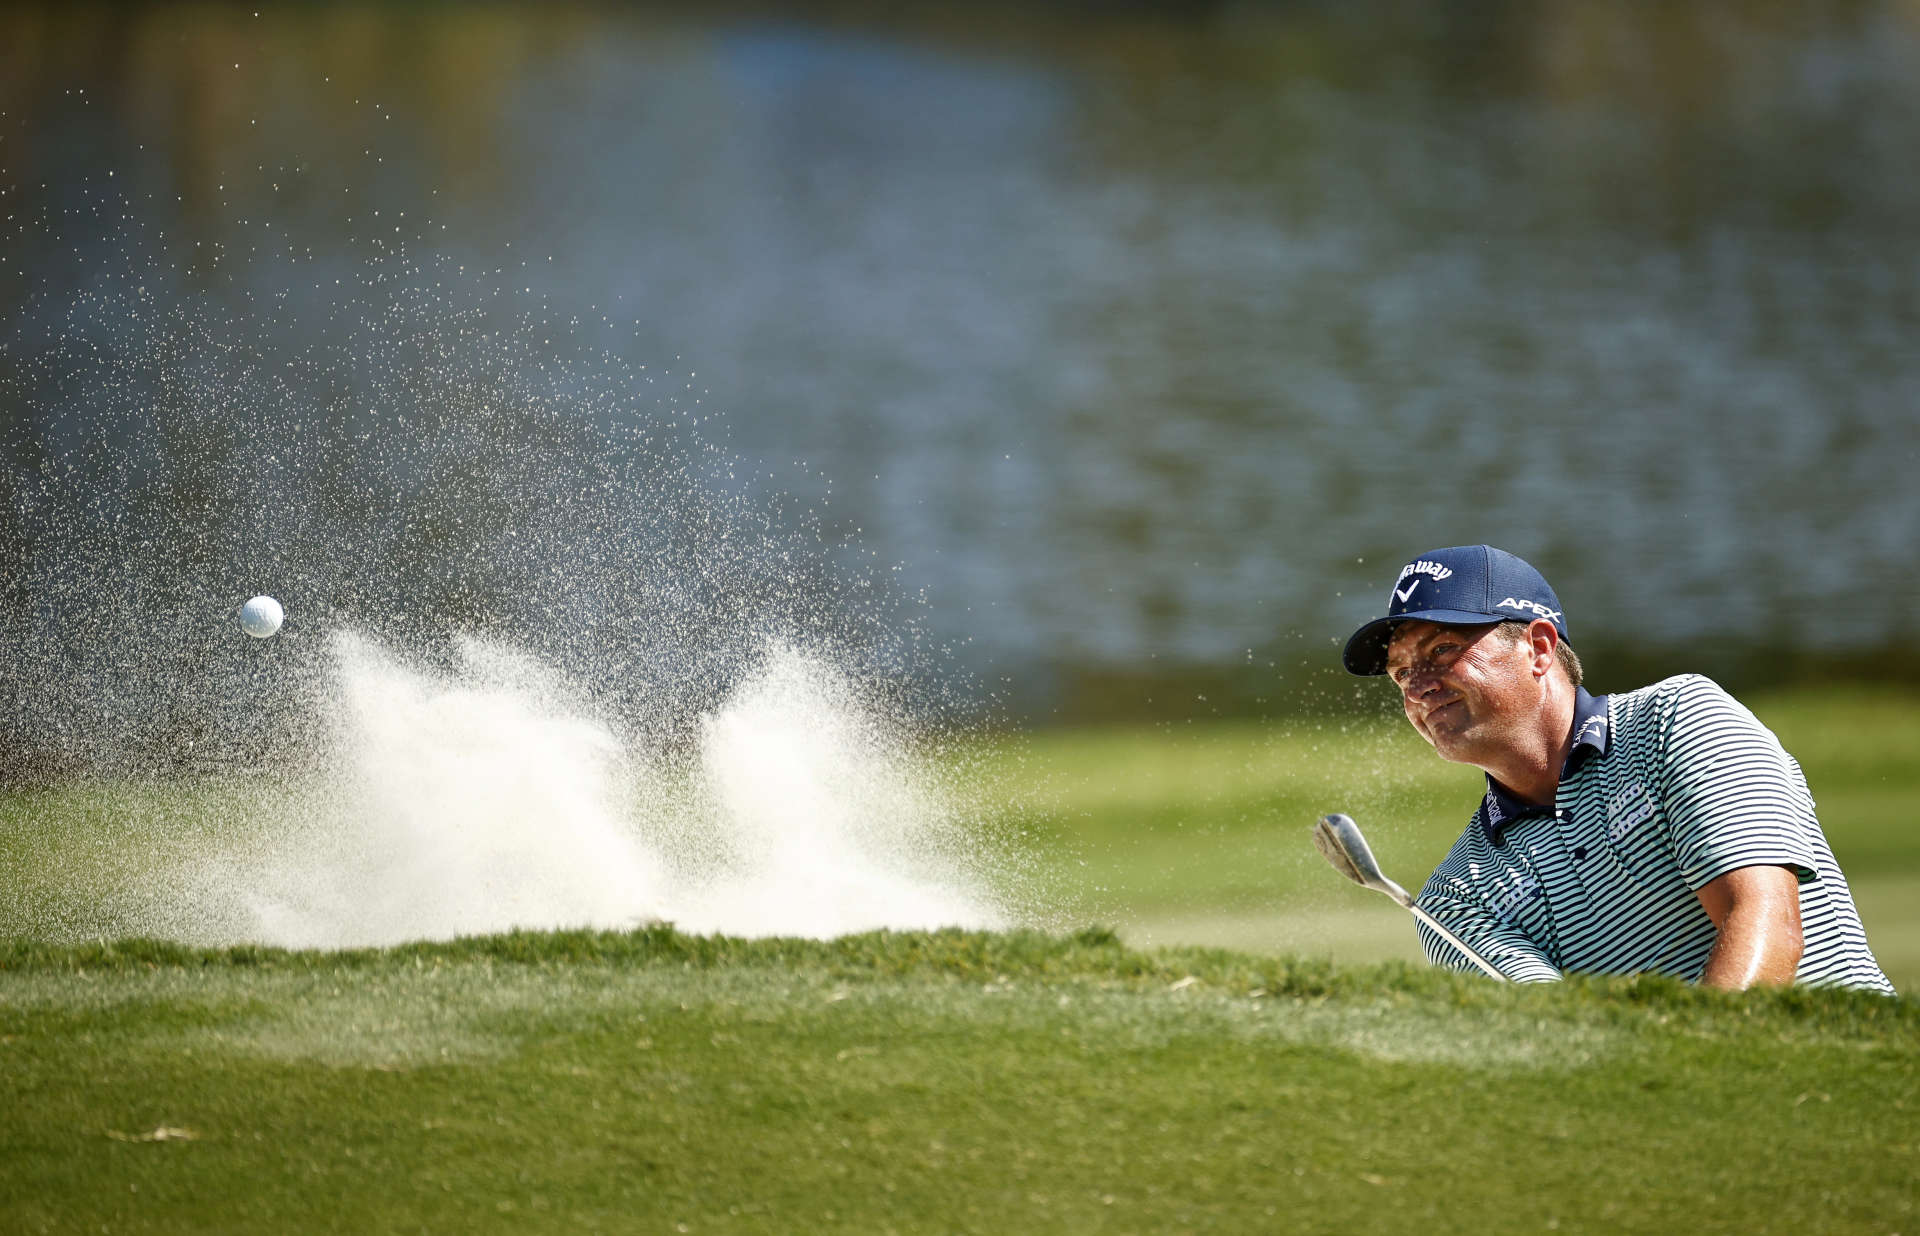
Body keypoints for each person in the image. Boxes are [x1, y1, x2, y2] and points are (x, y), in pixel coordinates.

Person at [1341, 544, 1893, 992]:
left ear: (1538, 646)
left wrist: (1707, 1078)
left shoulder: (1679, 719)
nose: (1417, 686)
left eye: (1441, 652)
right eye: (1401, 673)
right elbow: (1564, 1047)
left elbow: (1765, 923)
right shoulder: (1456, 899)